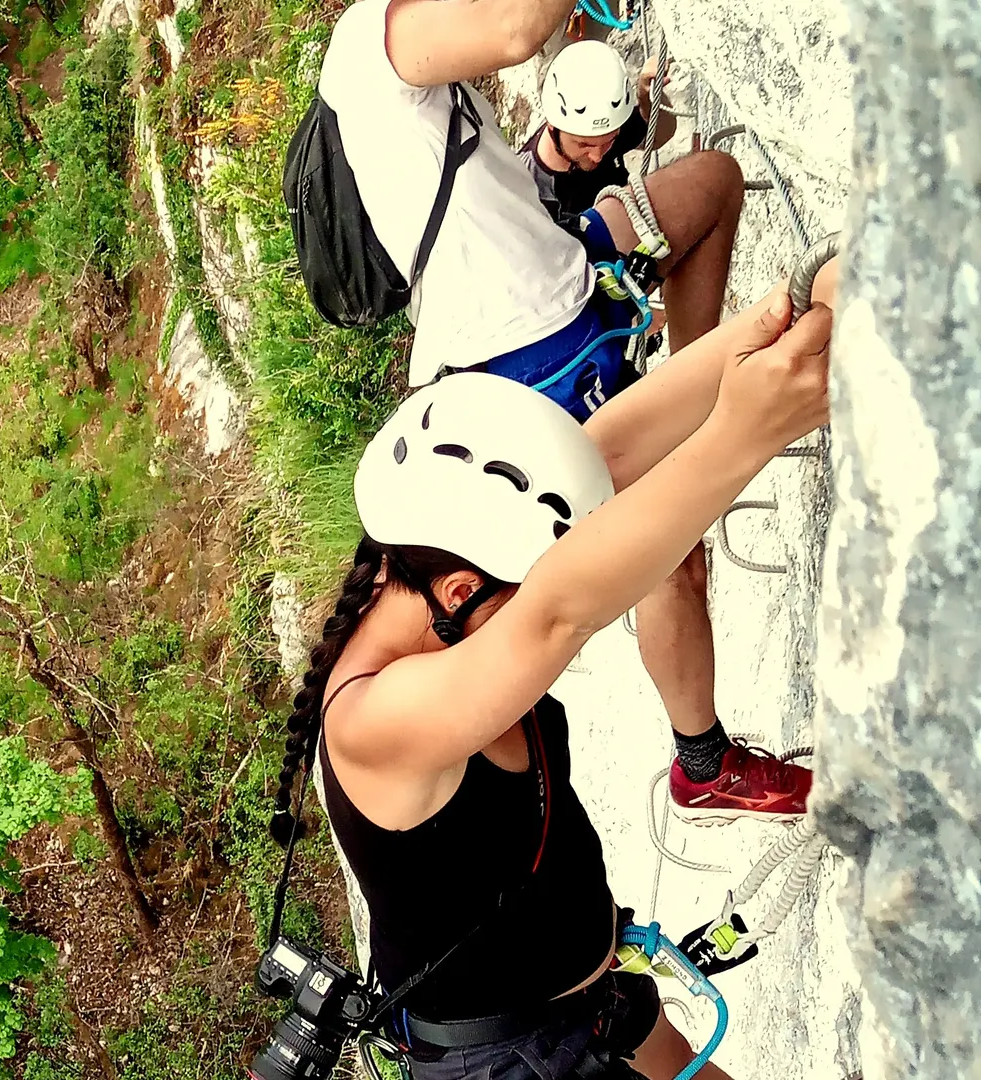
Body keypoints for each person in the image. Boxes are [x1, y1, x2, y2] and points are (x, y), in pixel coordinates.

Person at [270, 271, 836, 1079]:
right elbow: (557, 611)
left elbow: (607, 451)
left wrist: (784, 317)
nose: (551, 576)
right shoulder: (373, 723)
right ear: (463, 592)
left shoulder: (442, 579)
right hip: (512, 1062)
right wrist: (748, 433)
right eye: (531, 574)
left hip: (593, 999)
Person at [319, 0, 802, 819]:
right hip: (519, 357)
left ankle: (697, 399)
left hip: (564, 260)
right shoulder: (375, 40)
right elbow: (514, 31)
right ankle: (703, 761)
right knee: (666, 553)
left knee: (710, 190)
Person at [521, 40, 674, 234]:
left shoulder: (601, 128)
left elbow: (660, 136)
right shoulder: (528, 188)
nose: (597, 156)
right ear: (552, 127)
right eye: (583, 144)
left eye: (609, 141)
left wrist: (647, 97)